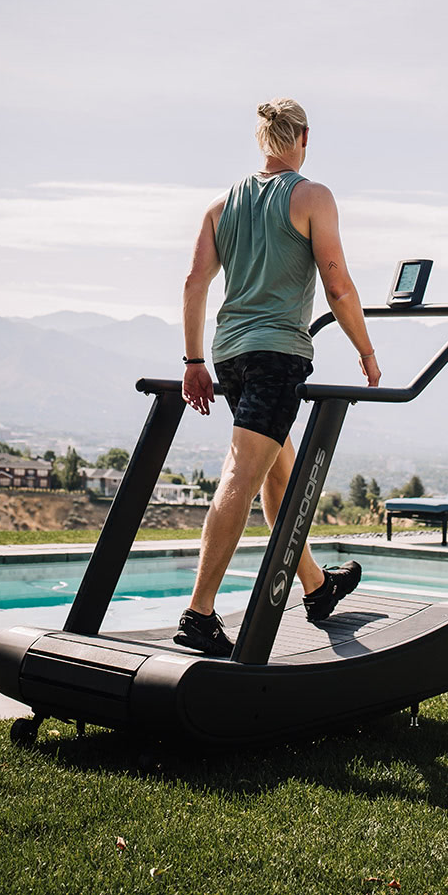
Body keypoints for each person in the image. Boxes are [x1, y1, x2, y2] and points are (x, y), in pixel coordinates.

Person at [175, 97, 381, 656]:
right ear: (304, 137)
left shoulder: (221, 206)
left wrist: (194, 362)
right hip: (278, 356)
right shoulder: (313, 196)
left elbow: (196, 283)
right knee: (243, 472)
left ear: (261, 139)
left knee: (275, 469)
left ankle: (316, 587)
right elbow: (337, 284)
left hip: (230, 355)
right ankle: (199, 614)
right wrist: (365, 351)